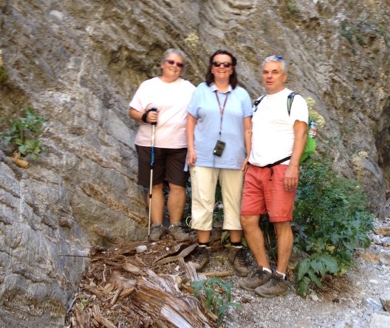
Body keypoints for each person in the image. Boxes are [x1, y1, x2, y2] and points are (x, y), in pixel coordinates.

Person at [239, 55, 308, 297]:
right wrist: (248, 155)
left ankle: (280, 276)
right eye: (266, 72)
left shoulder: (294, 100)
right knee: (248, 218)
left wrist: (293, 166)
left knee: (281, 222)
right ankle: (263, 269)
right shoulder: (258, 102)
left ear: (284, 76)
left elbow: (301, 134)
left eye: (275, 72)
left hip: (280, 168)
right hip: (255, 168)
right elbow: (253, 132)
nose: (269, 76)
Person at [186, 50, 252, 275]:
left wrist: (249, 154)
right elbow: (190, 121)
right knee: (203, 201)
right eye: (217, 64)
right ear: (211, 67)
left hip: (234, 157)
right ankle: (203, 249)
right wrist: (191, 149)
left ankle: (236, 249)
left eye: (226, 64)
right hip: (203, 156)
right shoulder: (201, 91)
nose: (221, 68)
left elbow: (248, 127)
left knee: (234, 202)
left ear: (232, 68)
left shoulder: (242, 95)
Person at [129, 49, 194, 242]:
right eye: (171, 62)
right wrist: (145, 116)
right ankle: (157, 226)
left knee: (178, 185)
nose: (175, 66)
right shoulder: (148, 86)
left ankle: (175, 226)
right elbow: (133, 111)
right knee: (154, 185)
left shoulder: (189, 88)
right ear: (162, 64)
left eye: (179, 64)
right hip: (150, 142)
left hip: (179, 144)